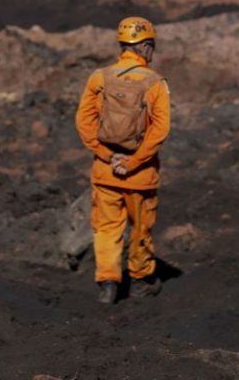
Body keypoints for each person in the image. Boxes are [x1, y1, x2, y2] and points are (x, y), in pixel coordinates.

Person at [74, 16, 171, 304]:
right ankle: (141, 281)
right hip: (139, 176)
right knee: (141, 227)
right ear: (145, 47)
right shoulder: (155, 83)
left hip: (106, 172)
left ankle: (107, 283)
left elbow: (83, 122)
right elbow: (160, 130)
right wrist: (133, 162)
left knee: (106, 228)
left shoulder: (99, 77)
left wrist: (106, 154)